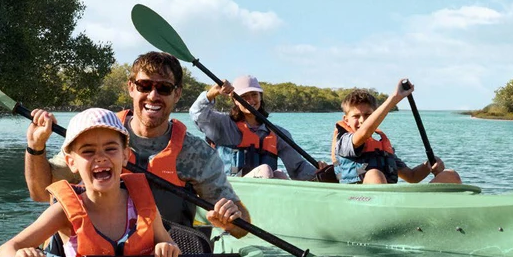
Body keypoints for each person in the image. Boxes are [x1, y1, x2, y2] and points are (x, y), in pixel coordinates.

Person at [23, 51, 248, 239]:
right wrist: (35, 147)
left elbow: (242, 227)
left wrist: (229, 220)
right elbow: (41, 193)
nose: (153, 95)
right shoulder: (95, 135)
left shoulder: (197, 154)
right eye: (144, 85)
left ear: (177, 93)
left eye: (164, 88)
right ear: (131, 88)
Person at [0, 109, 181, 257]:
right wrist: (21, 256)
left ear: (125, 155)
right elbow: (6, 249)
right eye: (88, 151)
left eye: (110, 149)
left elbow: (170, 245)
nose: (100, 157)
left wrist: (167, 249)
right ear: (71, 162)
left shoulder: (144, 205)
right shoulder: (62, 213)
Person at [190, 75, 318, 180]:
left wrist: (319, 173)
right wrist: (211, 94)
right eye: (244, 96)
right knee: (265, 170)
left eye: (254, 95)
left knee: (280, 175)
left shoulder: (278, 133)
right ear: (235, 100)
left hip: (259, 191)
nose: (250, 100)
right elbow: (196, 113)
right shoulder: (222, 124)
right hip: (227, 189)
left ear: (260, 97)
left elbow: (298, 167)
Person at [332, 83, 461, 185]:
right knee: (374, 174)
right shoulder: (344, 141)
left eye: (368, 115)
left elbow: (412, 177)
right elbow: (364, 133)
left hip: (390, 200)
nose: (362, 120)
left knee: (451, 175)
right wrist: (395, 98)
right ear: (346, 120)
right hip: (358, 198)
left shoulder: (381, 148)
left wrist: (428, 166)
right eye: (356, 116)